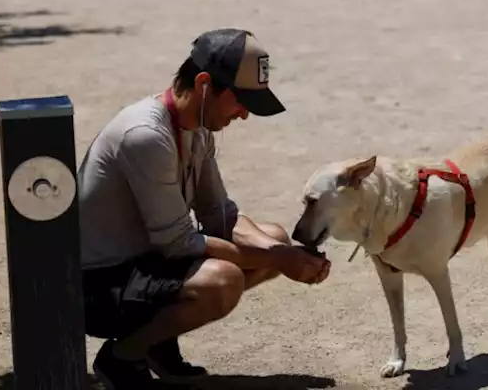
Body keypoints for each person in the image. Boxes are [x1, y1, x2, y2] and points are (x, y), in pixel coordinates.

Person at [77, 28, 332, 389]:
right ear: (204, 84)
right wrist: (278, 260)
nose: (244, 115)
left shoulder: (197, 128)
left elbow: (219, 215)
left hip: (142, 267)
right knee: (223, 279)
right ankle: (122, 358)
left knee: (273, 238)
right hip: (97, 286)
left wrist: (283, 252)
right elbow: (179, 244)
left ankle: (155, 343)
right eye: (240, 100)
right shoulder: (146, 135)